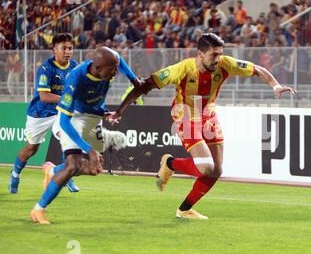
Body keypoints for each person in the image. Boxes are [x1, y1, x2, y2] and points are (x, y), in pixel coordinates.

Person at [110, 33, 296, 220]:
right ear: (200, 54)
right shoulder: (182, 69)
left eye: (220, 54)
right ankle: (170, 164)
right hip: (185, 115)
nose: (218, 59)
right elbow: (145, 86)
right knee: (206, 168)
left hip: (208, 115)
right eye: (213, 55)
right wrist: (119, 111)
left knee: (217, 170)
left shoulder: (225, 63)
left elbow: (256, 69)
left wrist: (275, 85)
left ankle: (184, 209)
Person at [30, 46, 144, 224]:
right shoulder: (75, 79)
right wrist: (88, 149)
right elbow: (64, 123)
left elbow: (119, 61)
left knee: (94, 169)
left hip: (94, 117)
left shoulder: (108, 65)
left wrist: (134, 81)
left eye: (116, 68)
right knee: (72, 166)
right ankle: (39, 210)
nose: (116, 72)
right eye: (112, 69)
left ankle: (52, 171)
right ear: (97, 68)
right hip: (74, 118)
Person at [9, 33, 80, 194]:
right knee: (30, 149)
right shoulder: (46, 68)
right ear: (54, 49)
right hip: (39, 114)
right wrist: (67, 99)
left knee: (68, 139)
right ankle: (15, 173)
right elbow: (44, 96)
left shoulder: (74, 67)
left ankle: (66, 175)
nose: (68, 51)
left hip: (59, 113)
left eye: (70, 48)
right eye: (64, 48)